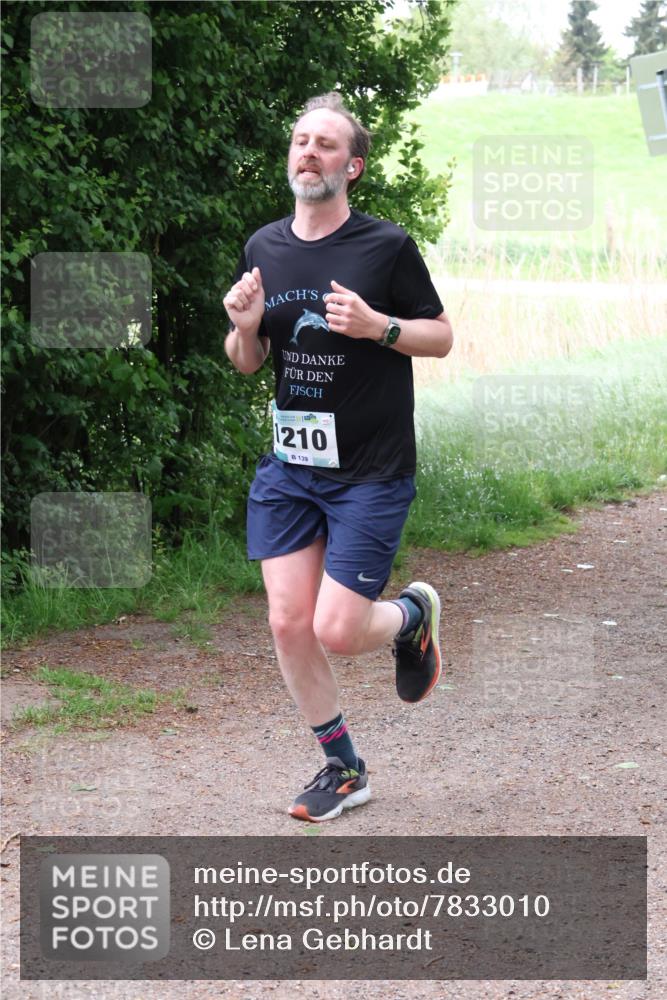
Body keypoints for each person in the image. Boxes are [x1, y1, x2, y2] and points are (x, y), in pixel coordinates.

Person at [224, 92, 453, 823]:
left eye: (324, 144)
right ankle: (342, 767)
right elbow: (248, 363)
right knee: (289, 622)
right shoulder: (263, 246)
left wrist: (380, 327)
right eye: (299, 140)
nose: (307, 152)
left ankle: (410, 616)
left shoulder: (384, 247)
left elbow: (440, 335)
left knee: (337, 630)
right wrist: (244, 327)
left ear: (350, 166)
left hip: (370, 471)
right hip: (293, 468)